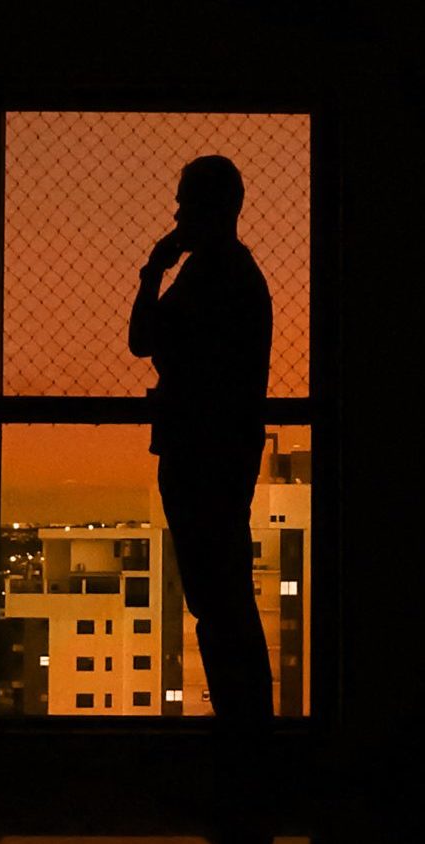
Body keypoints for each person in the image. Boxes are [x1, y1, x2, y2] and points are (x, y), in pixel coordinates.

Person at [128, 155, 274, 734]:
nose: (177, 211)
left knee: (217, 601)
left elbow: (143, 339)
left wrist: (152, 270)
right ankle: (248, 731)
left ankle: (244, 732)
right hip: (220, 454)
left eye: (186, 200)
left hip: (200, 456)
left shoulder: (212, 274)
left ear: (210, 207)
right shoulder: (231, 273)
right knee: (224, 598)